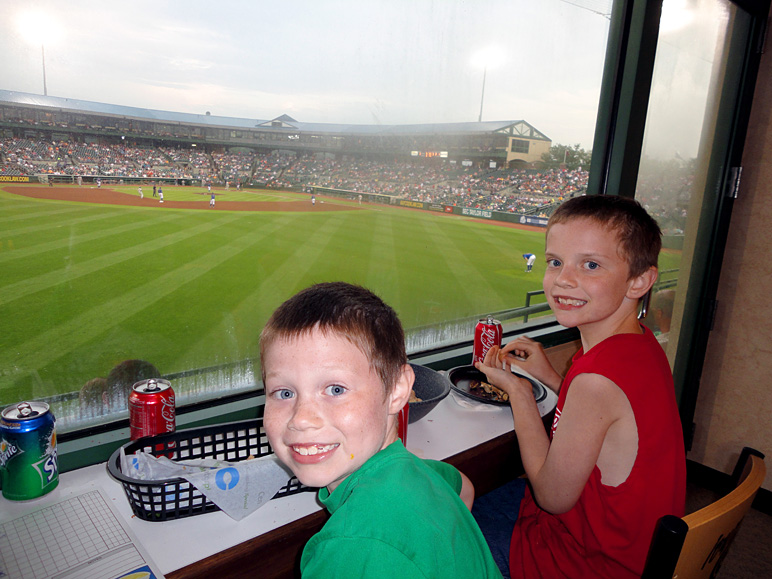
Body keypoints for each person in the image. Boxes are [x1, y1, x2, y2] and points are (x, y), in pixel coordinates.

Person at [474, 195, 686, 579]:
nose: (563, 279)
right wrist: (552, 378)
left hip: (581, 561)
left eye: (590, 265)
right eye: (555, 262)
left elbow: (552, 498)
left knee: (436, 529)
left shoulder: (595, 381)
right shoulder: (640, 342)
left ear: (640, 280)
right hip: (626, 547)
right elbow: (604, 424)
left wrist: (520, 392)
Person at [261, 282, 503, 579]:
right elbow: (463, 487)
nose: (301, 419)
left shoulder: (355, 546)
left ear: (397, 390)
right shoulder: (411, 470)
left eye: (335, 389)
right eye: (284, 393)